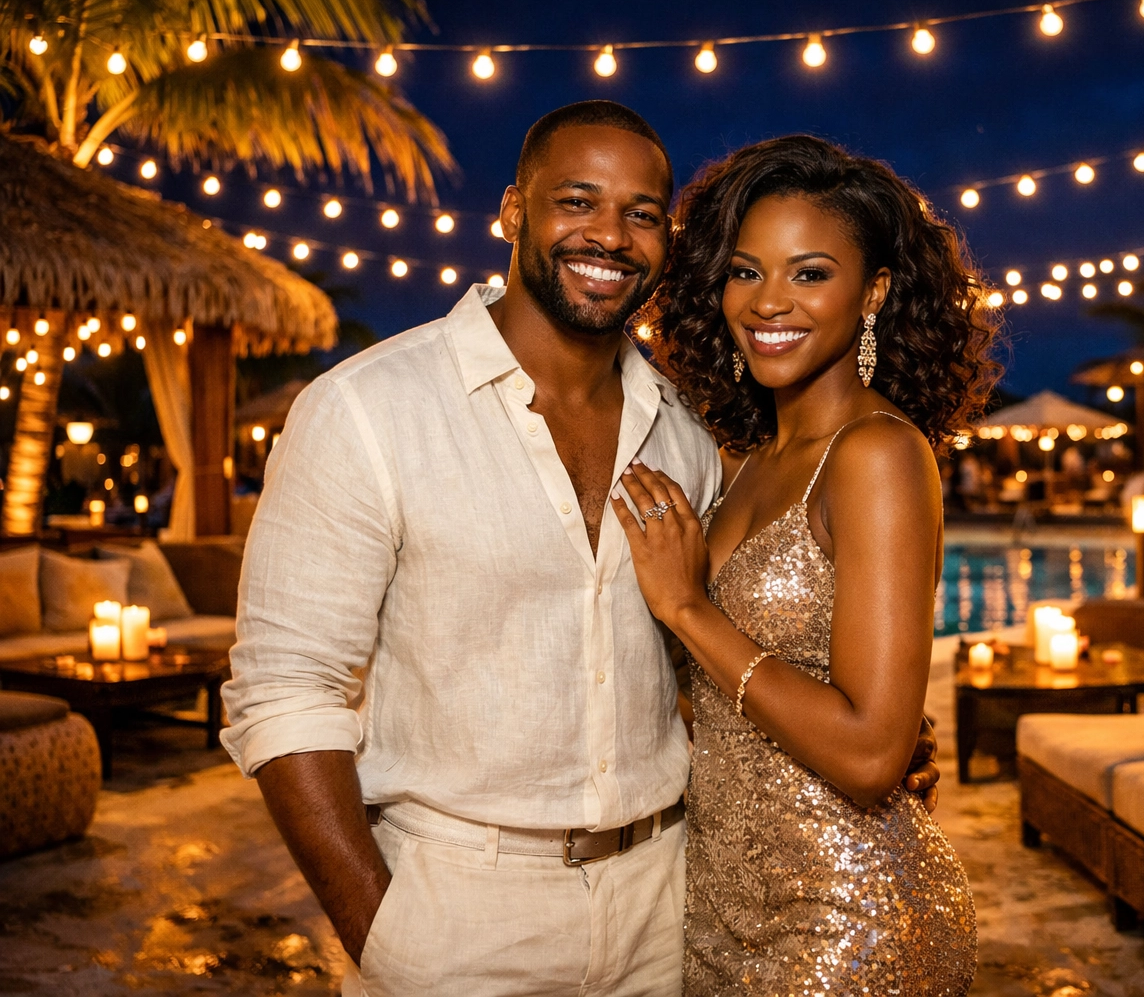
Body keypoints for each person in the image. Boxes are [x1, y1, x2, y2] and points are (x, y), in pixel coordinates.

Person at [219, 104, 939, 997]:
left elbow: (683, 667)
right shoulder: (368, 410)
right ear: (512, 211)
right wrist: (381, 931)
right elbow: (284, 692)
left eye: (642, 214)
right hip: (457, 916)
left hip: (669, 908)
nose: (609, 235)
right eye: (577, 201)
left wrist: (871, 728)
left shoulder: (686, 433)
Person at [633, 135, 991, 995]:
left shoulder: (877, 454)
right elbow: (729, 701)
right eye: (746, 271)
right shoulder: (747, 459)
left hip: (843, 923)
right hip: (721, 910)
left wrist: (688, 610)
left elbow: (870, 757)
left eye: (810, 273)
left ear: (874, 292)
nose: (769, 301)